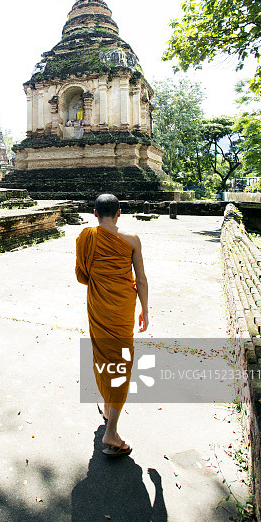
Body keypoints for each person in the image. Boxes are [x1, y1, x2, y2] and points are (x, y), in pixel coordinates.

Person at [75, 193, 149, 456]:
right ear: (119, 213)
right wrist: (145, 310)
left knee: (102, 355)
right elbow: (141, 279)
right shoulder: (132, 239)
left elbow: (82, 275)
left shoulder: (86, 237)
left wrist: (101, 278)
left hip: (98, 304)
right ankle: (112, 431)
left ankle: (109, 408)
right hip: (123, 308)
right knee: (121, 362)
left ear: (95, 213)